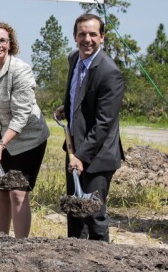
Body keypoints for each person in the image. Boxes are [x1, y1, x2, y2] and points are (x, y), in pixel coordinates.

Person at [53, 13, 125, 241]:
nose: (87, 39)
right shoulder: (75, 59)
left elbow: (105, 123)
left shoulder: (109, 72)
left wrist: (81, 157)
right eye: (82, 34)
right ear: (74, 36)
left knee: (94, 214)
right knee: (75, 211)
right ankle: (76, 264)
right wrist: (68, 106)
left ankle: (101, 269)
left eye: (93, 34)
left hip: (97, 156)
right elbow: (82, 94)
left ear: (102, 37)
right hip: (75, 149)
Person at [0, 21, 49, 239]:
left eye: (3, 40)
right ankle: (1, 240)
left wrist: (1, 145)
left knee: (17, 192)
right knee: (2, 190)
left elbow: (22, 115)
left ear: (10, 43)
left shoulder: (20, 70)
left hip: (28, 139)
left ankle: (20, 244)